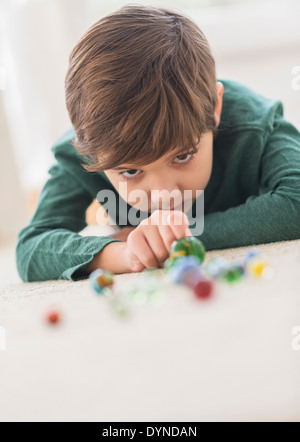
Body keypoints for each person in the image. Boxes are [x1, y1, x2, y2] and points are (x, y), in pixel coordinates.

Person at [15, 5, 300, 282]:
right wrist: (123, 253)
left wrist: (176, 238)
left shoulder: (255, 121)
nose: (165, 195)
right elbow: (32, 248)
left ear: (215, 107)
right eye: (130, 172)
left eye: (183, 155)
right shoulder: (89, 149)